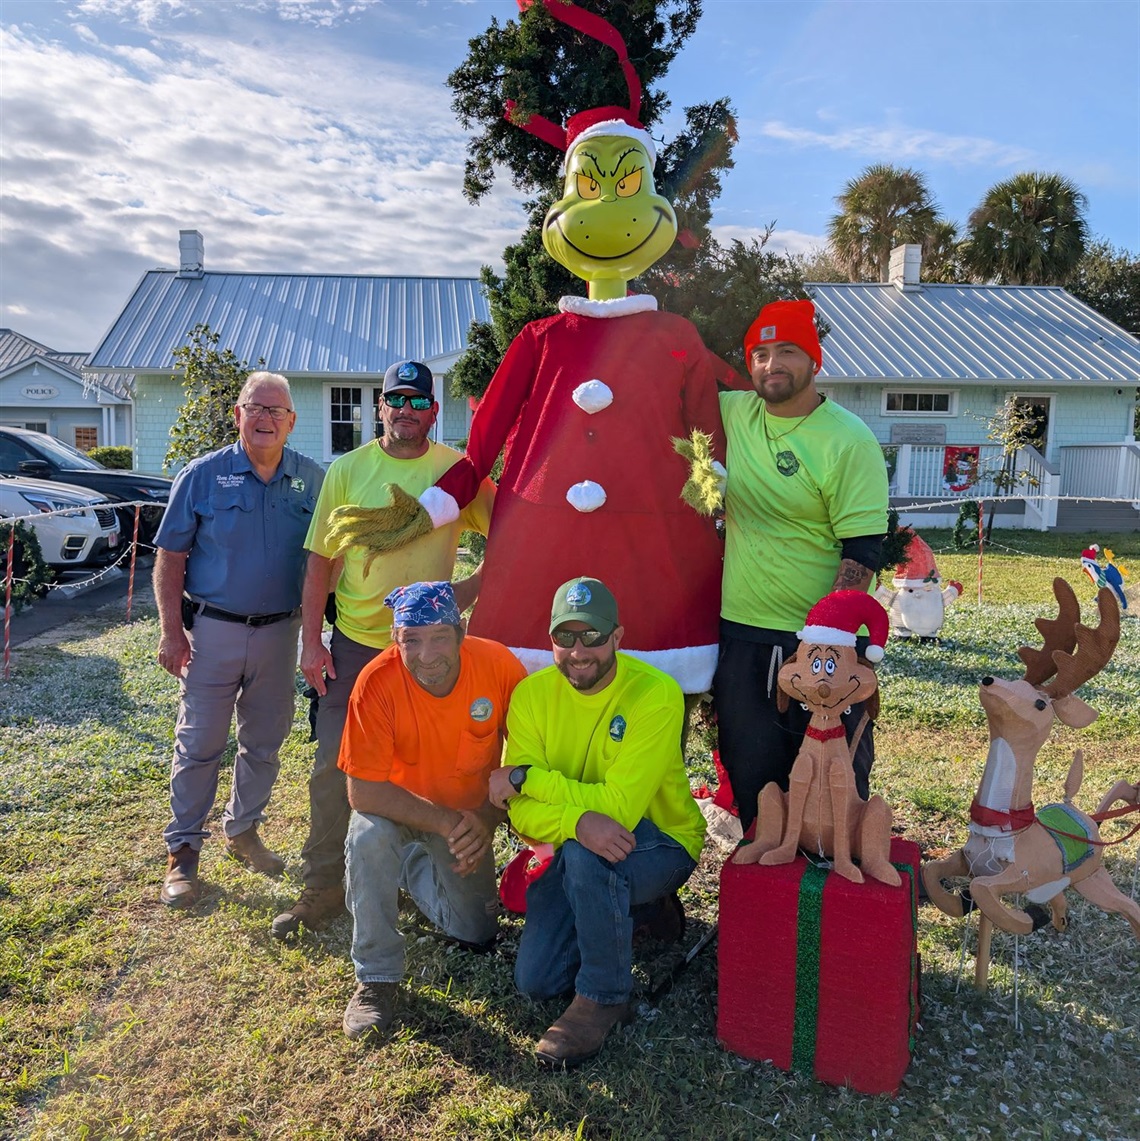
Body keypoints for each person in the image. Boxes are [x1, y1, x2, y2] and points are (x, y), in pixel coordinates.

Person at [272, 360, 495, 938]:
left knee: (431, 764)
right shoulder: (348, 470)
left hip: (428, 652)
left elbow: (511, 532)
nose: (406, 410)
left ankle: (412, 867)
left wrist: (461, 594)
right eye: (396, 399)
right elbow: (321, 560)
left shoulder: (455, 471)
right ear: (380, 409)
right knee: (330, 767)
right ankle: (321, 886)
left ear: (433, 411)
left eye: (419, 402)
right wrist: (311, 644)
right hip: (354, 646)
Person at [489, 577, 706, 1069]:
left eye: (592, 635)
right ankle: (643, 913)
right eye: (565, 636)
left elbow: (619, 811)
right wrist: (575, 818)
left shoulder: (656, 694)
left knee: (592, 852)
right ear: (551, 640)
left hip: (663, 842)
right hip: (576, 844)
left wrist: (527, 778)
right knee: (537, 981)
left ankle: (604, 998)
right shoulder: (530, 696)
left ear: (618, 636)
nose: (578, 650)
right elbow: (517, 811)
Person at [713, 299, 889, 834]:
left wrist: (827, 641)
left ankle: (827, 905)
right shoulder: (733, 413)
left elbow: (863, 551)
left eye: (787, 351)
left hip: (817, 640)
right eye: (760, 354)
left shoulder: (847, 440)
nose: (772, 365)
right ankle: (765, 902)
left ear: (814, 360)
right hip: (741, 632)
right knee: (752, 778)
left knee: (831, 784)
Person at [155, 371, 324, 907]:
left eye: (277, 411)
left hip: (281, 632)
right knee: (200, 742)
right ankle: (183, 852)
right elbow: (170, 555)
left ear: (292, 421)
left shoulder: (312, 481)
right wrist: (170, 630)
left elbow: (330, 556)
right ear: (238, 415)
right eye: (257, 408)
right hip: (214, 632)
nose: (267, 418)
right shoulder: (203, 476)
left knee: (265, 742)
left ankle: (243, 829)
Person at [337, 580, 527, 1040]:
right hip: (401, 814)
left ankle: (406, 870)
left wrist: (484, 820)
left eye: (439, 636)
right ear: (394, 641)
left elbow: (524, 760)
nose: (427, 654)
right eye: (412, 640)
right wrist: (445, 823)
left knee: (478, 933)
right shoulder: (376, 682)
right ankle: (375, 977)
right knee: (368, 837)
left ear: (461, 633)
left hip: (466, 819)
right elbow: (363, 792)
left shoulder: (499, 664)